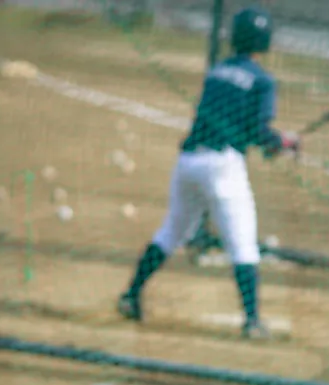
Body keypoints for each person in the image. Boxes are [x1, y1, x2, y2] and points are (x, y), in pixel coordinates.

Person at [116, 6, 297, 339]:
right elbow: (257, 130)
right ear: (265, 40)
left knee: (172, 232)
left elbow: (232, 121)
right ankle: (253, 321)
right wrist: (282, 142)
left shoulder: (217, 71)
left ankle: (130, 295)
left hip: (188, 162)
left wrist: (272, 143)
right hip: (222, 166)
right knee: (243, 242)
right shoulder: (262, 80)